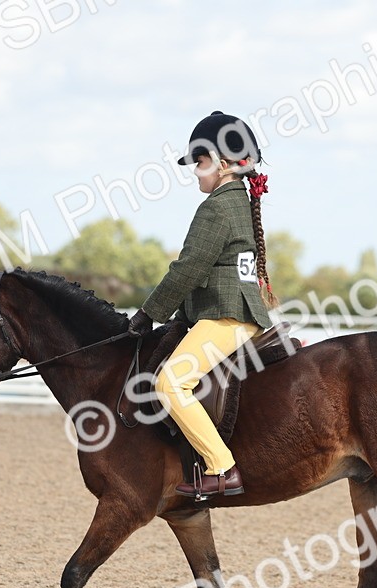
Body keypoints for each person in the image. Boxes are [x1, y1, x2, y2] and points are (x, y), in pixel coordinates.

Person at [126, 111, 277, 499]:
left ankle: (221, 468)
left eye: (201, 162)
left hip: (227, 316)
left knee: (170, 382)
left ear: (224, 165)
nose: (196, 171)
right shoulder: (239, 203)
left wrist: (148, 313)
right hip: (235, 314)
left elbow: (187, 269)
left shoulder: (217, 207)